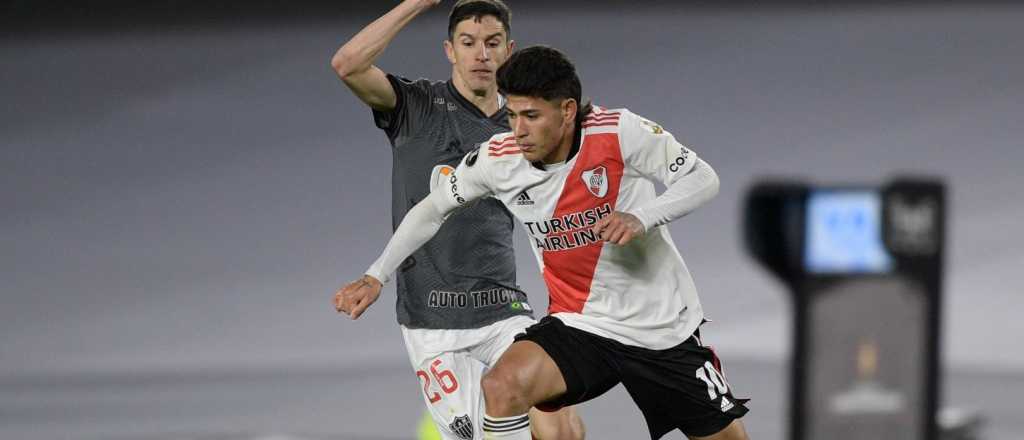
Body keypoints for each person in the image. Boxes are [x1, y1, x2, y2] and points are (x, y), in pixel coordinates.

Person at [336, 45, 752, 440]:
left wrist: (643, 216)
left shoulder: (620, 132)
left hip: (660, 330)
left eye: (531, 116)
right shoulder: (499, 159)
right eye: (512, 113)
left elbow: (703, 178)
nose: (518, 129)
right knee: (501, 386)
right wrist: (376, 275)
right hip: (581, 324)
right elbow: (431, 210)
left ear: (567, 110)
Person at [329, 2, 583, 439]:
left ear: (510, 50)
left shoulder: (522, 125)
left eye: (492, 43)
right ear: (450, 50)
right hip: (432, 324)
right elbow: (347, 64)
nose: (481, 55)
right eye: (468, 43)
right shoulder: (413, 105)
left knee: (562, 428)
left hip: (503, 308)